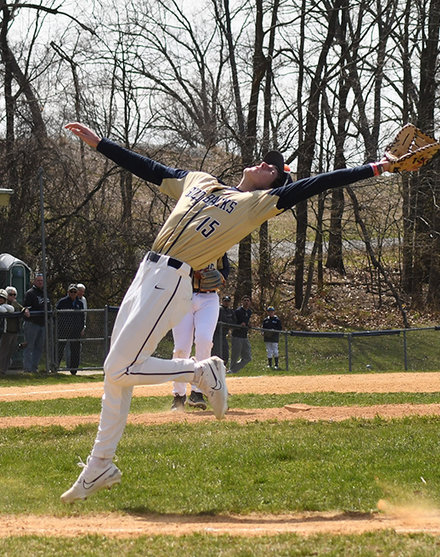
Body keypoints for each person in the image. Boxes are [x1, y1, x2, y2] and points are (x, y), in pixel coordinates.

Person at [61, 121, 394, 503]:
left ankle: (202, 372)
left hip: (172, 282)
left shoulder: (255, 206)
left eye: (275, 168)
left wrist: (378, 167)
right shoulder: (200, 180)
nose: (267, 165)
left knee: (119, 368)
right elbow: (151, 169)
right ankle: (99, 465)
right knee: (114, 373)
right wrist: (102, 144)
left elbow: (318, 183)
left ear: (274, 185)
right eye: (267, 161)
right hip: (146, 274)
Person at [171, 255, 230, 412]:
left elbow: (225, 269)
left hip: (208, 297)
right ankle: (179, 395)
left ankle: (197, 393)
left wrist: (219, 276)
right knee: (181, 348)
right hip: (183, 296)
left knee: (204, 341)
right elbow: (170, 267)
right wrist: (191, 274)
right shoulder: (184, 244)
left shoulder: (217, 245)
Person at [22, 273, 49, 373]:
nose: (40, 282)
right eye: (38, 281)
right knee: (29, 346)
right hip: (32, 323)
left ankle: (34, 368)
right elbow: (26, 307)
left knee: (39, 347)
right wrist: (27, 311)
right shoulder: (30, 293)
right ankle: (27, 369)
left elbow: (48, 306)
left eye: (41, 281)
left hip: (43, 324)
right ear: (34, 281)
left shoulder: (45, 293)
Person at [56, 284, 85, 375]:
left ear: (77, 293)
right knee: (59, 348)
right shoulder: (62, 302)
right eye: (71, 291)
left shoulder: (79, 303)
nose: (73, 293)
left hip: (75, 330)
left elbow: (82, 317)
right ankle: (55, 367)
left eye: (74, 292)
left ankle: (73, 370)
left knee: (75, 350)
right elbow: (56, 314)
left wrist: (81, 328)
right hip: (63, 329)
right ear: (68, 292)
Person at [0, 287, 27, 374]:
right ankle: (1, 369)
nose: (13, 296)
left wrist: (25, 310)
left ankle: (4, 370)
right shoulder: (3, 305)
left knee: (9, 352)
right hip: (5, 331)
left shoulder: (15, 304)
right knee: (3, 352)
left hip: (14, 331)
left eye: (14, 295)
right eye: (10, 294)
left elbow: (22, 309)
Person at [229, 295, 253, 374]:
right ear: (242, 302)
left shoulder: (249, 312)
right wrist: (239, 325)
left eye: (248, 300)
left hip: (244, 336)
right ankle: (231, 369)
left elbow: (246, 322)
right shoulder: (238, 311)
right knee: (235, 355)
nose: (246, 302)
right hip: (237, 335)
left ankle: (234, 369)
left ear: (250, 302)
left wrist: (248, 325)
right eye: (245, 300)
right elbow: (232, 322)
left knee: (248, 357)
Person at [212, 295, 236, 366]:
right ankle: (214, 367)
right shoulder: (218, 309)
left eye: (228, 301)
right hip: (216, 334)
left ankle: (223, 367)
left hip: (223, 334)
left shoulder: (230, 311)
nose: (226, 303)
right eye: (225, 301)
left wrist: (227, 323)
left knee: (225, 352)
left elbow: (234, 322)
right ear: (222, 301)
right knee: (216, 352)